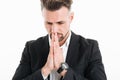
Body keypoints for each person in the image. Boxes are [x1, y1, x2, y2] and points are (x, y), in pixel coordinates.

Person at [12, 0, 107, 80]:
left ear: (71, 18)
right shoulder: (31, 48)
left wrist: (63, 69)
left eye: (60, 23)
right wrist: (45, 70)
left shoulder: (90, 48)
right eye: (49, 23)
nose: (54, 30)